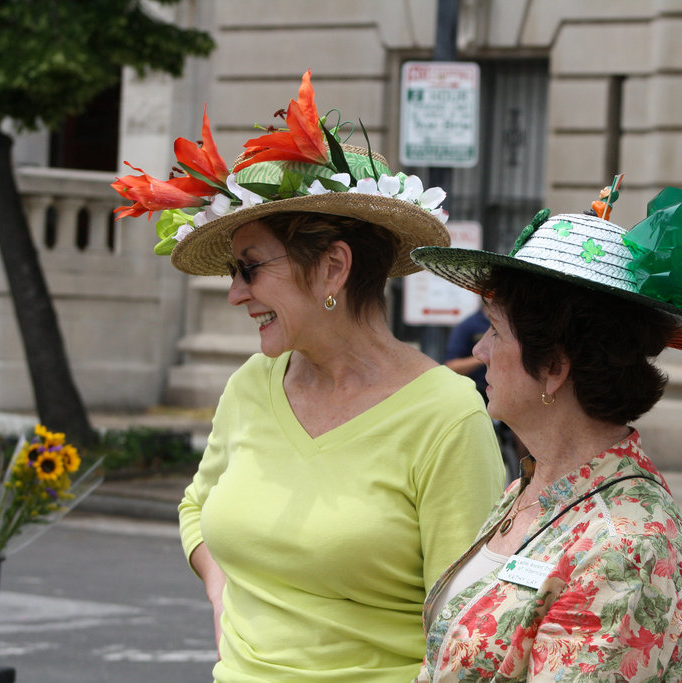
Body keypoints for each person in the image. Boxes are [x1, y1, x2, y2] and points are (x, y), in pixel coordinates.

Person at [112, 70, 504, 682]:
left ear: (331, 268)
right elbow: (197, 505)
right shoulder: (252, 384)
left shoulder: (446, 416)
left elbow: (466, 633)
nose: (236, 295)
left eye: (250, 269)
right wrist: (220, 587)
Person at [409, 185, 682, 681]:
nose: (480, 349)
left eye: (495, 329)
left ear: (554, 367)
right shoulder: (532, 487)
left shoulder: (625, 544)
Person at [444, 307, 491, 399]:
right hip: (479, 391)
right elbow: (452, 366)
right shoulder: (468, 325)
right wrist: (482, 358)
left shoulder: (510, 323)